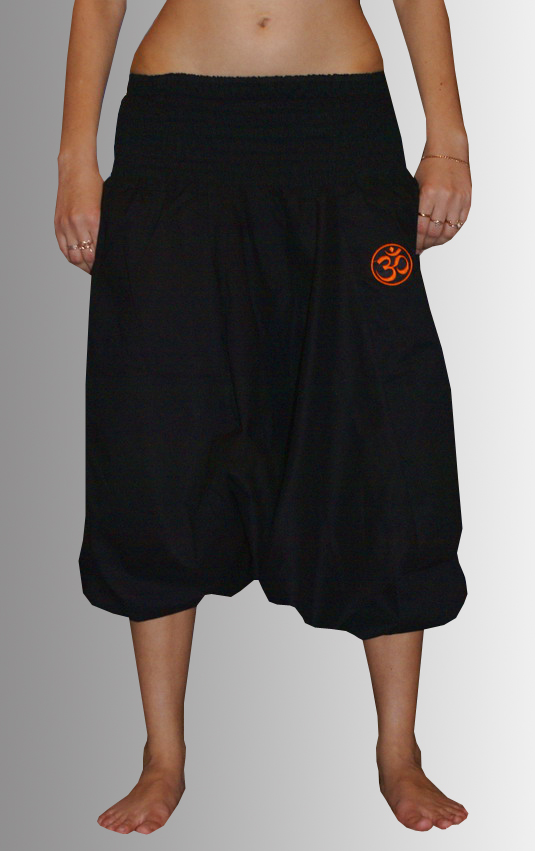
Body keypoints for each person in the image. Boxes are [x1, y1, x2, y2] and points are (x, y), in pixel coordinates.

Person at [54, 0, 471, 836]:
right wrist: (74, 159)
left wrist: (448, 141)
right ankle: (162, 754)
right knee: (159, 431)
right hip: (179, 131)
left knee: (385, 423)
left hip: (339, 129)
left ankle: (399, 750)